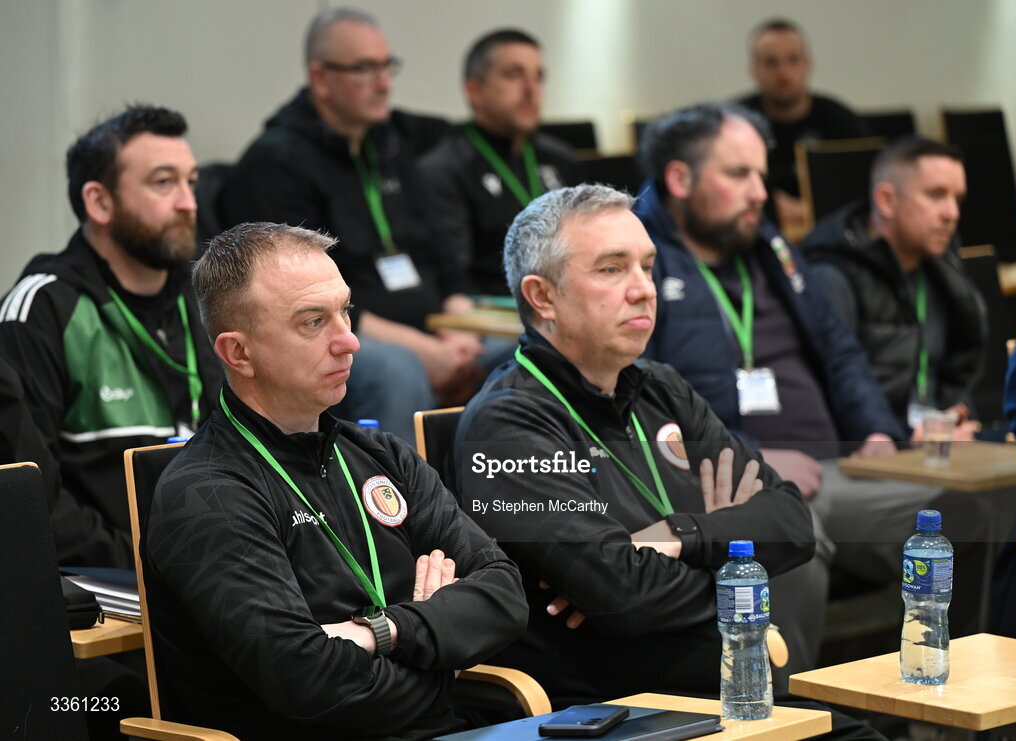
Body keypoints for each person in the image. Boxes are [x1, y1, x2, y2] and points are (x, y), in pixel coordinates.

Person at [636, 103, 995, 666]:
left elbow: (839, 351)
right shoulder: (642, 267)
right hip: (740, 485)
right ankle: (788, 714)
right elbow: (643, 410)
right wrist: (757, 458)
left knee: (970, 518)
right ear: (680, 179)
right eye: (739, 175)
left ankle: (938, 704)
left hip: (835, 469)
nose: (761, 192)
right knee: (790, 540)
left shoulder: (770, 250)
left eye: (762, 174)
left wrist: (875, 430)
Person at [145, 222, 527, 740]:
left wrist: (384, 631)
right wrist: (442, 656)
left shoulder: (380, 454)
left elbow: (504, 595)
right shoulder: (208, 493)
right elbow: (307, 681)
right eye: (312, 322)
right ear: (238, 353)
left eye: (345, 311)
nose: (348, 340)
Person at [454, 184, 817, 707]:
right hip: (619, 708)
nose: (644, 288)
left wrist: (678, 534)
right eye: (611, 269)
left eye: (647, 266)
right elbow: (625, 598)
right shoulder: (506, 424)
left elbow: (791, 524)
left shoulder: (661, 386)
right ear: (542, 297)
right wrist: (731, 557)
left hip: (722, 688)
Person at [219, 7, 481, 441]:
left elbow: (439, 253)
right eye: (365, 68)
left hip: (432, 325)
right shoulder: (277, 163)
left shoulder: (390, 144)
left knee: (520, 351)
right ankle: (396, 505)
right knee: (396, 371)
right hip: (347, 332)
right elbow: (302, 301)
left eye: (386, 66)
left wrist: (459, 326)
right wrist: (427, 349)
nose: (383, 82)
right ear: (320, 78)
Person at [0, 105, 221, 568]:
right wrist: (147, 562)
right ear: (99, 202)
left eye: (191, 182)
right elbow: (31, 501)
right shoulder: (40, 310)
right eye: (164, 182)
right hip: (108, 580)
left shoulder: (204, 299)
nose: (188, 202)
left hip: (213, 567)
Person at [802, 137, 985, 435]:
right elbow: (832, 399)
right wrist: (902, 440)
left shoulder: (943, 270)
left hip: (935, 447)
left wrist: (957, 416)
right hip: (873, 456)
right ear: (887, 200)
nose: (952, 214)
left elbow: (955, 374)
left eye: (957, 199)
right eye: (936, 195)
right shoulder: (831, 277)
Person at [420, 28, 580, 296]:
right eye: (513, 74)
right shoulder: (445, 169)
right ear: (474, 90)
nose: (531, 90)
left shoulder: (561, 159)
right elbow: (454, 277)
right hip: (497, 313)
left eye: (538, 77)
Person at [738, 19, 867, 233]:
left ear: (808, 64)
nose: (783, 72)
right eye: (771, 62)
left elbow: (866, 188)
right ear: (754, 70)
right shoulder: (736, 124)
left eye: (793, 60)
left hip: (831, 232)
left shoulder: (840, 121)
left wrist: (812, 209)